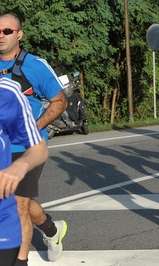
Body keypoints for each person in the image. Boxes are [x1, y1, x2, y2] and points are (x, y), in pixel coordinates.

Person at [0, 14, 68, 265]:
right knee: (17, 203)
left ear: (19, 34)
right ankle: (51, 229)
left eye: (7, 30)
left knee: (18, 205)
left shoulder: (35, 66)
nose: (1, 34)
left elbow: (60, 102)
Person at [0, 78, 48, 266]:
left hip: (20, 153)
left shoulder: (8, 92)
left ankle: (21, 262)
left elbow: (38, 149)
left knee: (19, 205)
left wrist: (21, 165)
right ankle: (50, 227)